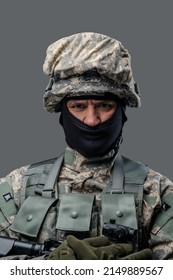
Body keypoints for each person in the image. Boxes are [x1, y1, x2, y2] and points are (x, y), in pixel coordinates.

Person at [0, 32, 173, 260]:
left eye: (104, 105)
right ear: (62, 113)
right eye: (79, 106)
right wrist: (46, 266)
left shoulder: (157, 190)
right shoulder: (16, 187)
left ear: (122, 112)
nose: (92, 120)